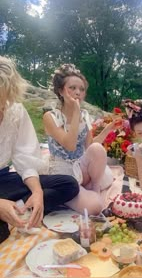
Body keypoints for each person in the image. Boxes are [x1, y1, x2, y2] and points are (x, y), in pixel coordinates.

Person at [0, 56, 79, 243]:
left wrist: (37, 193)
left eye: (2, 103)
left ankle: (19, 208)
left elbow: (24, 156)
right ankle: (12, 211)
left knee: (68, 184)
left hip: (4, 180)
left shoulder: (15, 111)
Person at [43, 64, 121, 215]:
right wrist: (76, 112)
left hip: (80, 165)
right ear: (60, 91)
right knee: (94, 207)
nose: (77, 92)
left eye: (82, 89)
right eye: (72, 88)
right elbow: (70, 145)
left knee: (98, 150)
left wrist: (108, 129)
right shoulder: (50, 117)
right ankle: (84, 192)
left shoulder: (85, 115)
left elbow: (90, 146)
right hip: (63, 171)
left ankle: (95, 188)